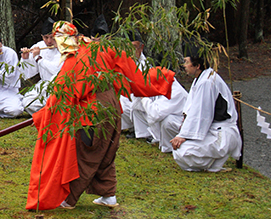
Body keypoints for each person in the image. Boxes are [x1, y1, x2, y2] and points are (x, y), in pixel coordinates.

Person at [26, 21, 174, 211]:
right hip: (112, 106)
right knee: (105, 151)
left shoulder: (76, 59)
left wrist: (45, 115)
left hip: (92, 112)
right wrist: (163, 77)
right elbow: (134, 75)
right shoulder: (101, 48)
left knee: (86, 153)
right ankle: (108, 194)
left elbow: (64, 94)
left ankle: (69, 199)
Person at [170, 44, 242, 171]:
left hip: (222, 132)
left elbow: (202, 113)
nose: (184, 66)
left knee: (183, 151)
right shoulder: (201, 79)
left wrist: (184, 135)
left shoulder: (207, 81)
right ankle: (213, 162)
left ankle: (214, 162)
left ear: (197, 66)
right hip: (213, 130)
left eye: (187, 62)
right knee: (179, 148)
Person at [20, 18, 63, 115]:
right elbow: (28, 73)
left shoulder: (63, 47)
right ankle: (47, 114)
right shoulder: (39, 46)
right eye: (46, 37)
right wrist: (26, 59)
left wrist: (38, 58)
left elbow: (56, 69)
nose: (49, 41)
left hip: (59, 84)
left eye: (52, 37)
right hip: (44, 84)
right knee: (27, 103)